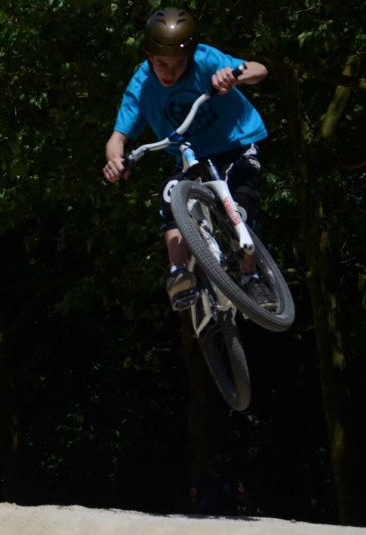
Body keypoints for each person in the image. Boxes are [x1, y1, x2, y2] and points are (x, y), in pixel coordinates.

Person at [102, 7, 275, 311]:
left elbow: (259, 70)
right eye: (161, 64)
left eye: (178, 64)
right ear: (147, 56)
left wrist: (234, 75)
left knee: (240, 208)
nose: (169, 72)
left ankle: (253, 276)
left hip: (235, 142)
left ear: (191, 56)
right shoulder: (141, 86)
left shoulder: (206, 59)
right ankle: (179, 274)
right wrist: (115, 161)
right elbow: (117, 139)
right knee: (170, 196)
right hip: (190, 155)